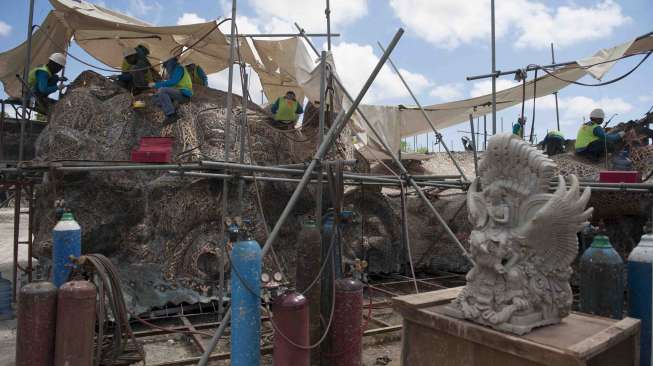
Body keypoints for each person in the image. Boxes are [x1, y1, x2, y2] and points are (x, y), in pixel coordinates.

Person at [148, 55, 193, 125]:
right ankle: (172, 104)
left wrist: (156, 85)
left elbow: (173, 82)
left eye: (165, 65)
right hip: (177, 94)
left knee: (162, 90)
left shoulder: (179, 69)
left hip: (184, 95)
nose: (166, 68)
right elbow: (171, 85)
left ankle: (172, 115)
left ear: (170, 62)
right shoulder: (173, 72)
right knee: (155, 98)